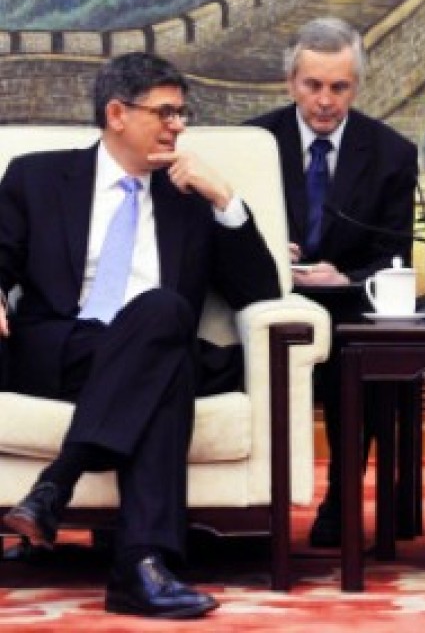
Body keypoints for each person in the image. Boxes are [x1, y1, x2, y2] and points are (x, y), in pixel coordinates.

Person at [0, 52, 281, 619]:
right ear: (117, 114)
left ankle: (62, 487)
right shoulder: (38, 176)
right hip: (62, 348)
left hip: (154, 348)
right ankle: (141, 565)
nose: (179, 126)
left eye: (183, 114)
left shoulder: (191, 196)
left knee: (160, 321)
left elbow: (262, 295)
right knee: (166, 337)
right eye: (166, 112)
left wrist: (225, 200)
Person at [246, 17, 418, 547]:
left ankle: (343, 499)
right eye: (312, 85)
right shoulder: (253, 142)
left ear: (356, 86)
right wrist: (273, 254)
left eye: (338, 87)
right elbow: (218, 238)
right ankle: (251, 511)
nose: (324, 101)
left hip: (346, 312)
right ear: (290, 83)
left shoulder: (391, 153)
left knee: (359, 358)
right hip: (267, 308)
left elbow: (393, 260)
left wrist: (344, 275)